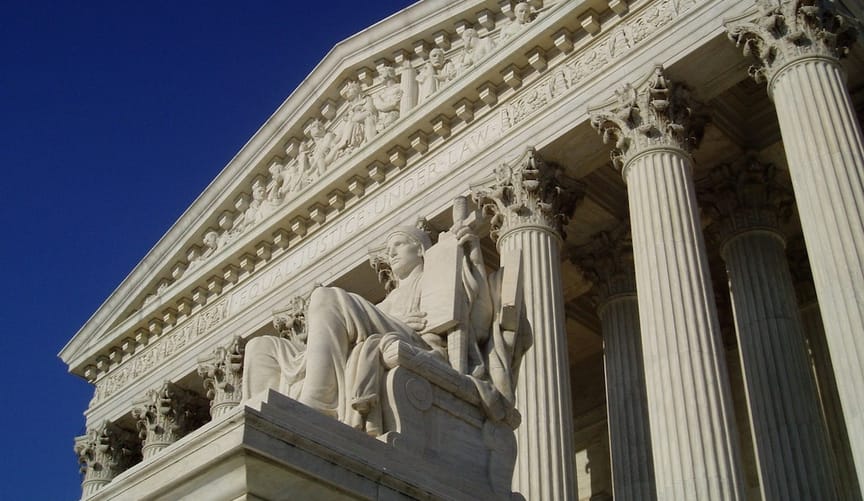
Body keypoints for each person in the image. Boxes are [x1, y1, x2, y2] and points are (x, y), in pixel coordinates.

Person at [243, 221, 496, 434]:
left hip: (420, 344)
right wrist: (397, 323)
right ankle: (257, 426)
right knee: (261, 347)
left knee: (325, 297)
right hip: (389, 334)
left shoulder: (433, 282)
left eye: (399, 244)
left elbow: (479, 324)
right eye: (388, 248)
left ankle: (319, 402)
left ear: (421, 249)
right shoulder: (386, 302)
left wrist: (472, 256)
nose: (392, 252)